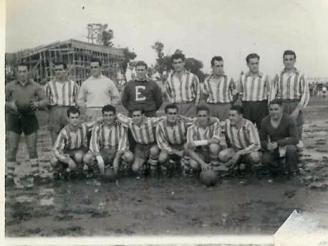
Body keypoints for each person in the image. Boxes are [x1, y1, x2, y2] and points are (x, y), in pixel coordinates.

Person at [5, 63, 49, 185]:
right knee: (12, 148)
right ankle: (9, 177)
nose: (22, 74)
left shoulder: (35, 86)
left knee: (32, 148)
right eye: (20, 71)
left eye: (24, 71)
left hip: (30, 118)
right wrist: (9, 105)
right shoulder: (9, 86)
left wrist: (37, 104)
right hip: (14, 118)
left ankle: (36, 175)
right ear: (16, 72)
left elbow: (46, 100)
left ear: (28, 72)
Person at [273, 50, 310, 148]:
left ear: (295, 60)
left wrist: (298, 109)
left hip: (295, 104)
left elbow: (305, 93)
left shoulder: (300, 75)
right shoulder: (278, 75)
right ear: (283, 61)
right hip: (282, 104)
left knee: (296, 131)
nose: (288, 62)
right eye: (286, 59)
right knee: (281, 130)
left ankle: (297, 155)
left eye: (291, 59)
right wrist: (274, 108)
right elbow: (273, 93)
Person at [84, 105, 134, 176]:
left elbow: (123, 144)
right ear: (103, 116)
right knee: (87, 158)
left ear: (114, 116)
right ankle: (97, 171)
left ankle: (121, 171)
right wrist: (100, 160)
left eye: (110, 115)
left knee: (129, 156)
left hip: (116, 152)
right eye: (106, 115)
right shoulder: (98, 126)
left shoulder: (120, 126)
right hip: (103, 152)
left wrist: (116, 158)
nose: (108, 118)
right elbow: (93, 144)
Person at [116, 110, 164, 176]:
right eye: (134, 116)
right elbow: (118, 116)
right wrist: (101, 119)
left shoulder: (150, 121)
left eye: (138, 115)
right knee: (135, 168)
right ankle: (146, 164)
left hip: (151, 145)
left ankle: (153, 168)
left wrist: (180, 118)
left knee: (154, 150)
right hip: (140, 147)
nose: (136, 118)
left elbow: (163, 118)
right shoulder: (130, 122)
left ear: (143, 116)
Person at [260, 99, 299, 177]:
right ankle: (277, 169)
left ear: (281, 108)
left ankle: (293, 171)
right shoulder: (265, 121)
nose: (273, 112)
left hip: (286, 144)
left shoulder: (289, 120)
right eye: (271, 110)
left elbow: (295, 139)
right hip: (273, 146)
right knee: (265, 159)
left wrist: (278, 143)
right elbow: (262, 140)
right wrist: (267, 145)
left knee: (291, 149)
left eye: (276, 109)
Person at [44, 61, 80, 144]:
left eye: (60, 69)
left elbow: (78, 102)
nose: (58, 72)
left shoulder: (73, 85)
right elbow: (45, 102)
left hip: (69, 111)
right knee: (56, 140)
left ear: (66, 71)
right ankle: (57, 156)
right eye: (56, 70)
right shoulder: (49, 85)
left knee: (70, 137)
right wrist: (51, 112)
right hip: (55, 111)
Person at [220, 105, 261, 173]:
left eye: (233, 115)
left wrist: (240, 153)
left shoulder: (248, 125)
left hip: (248, 152)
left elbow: (256, 145)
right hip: (235, 150)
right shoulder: (227, 123)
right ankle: (236, 165)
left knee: (255, 157)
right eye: (229, 115)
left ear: (240, 116)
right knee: (222, 155)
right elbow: (223, 138)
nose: (230, 118)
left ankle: (248, 167)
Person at [185, 105, 226, 173]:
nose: (202, 118)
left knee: (213, 146)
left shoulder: (215, 124)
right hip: (201, 153)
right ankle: (203, 168)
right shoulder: (191, 128)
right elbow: (189, 148)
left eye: (204, 115)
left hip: (213, 153)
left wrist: (196, 143)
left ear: (208, 116)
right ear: (197, 116)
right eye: (200, 116)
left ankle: (215, 164)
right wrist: (202, 163)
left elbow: (216, 140)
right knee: (193, 164)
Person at [52, 107, 92, 177]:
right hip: (66, 153)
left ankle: (78, 169)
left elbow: (96, 123)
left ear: (79, 118)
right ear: (68, 119)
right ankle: (60, 171)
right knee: (54, 161)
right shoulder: (64, 132)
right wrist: (68, 160)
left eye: (77, 117)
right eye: (72, 118)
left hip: (78, 151)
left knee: (78, 156)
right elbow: (56, 150)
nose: (75, 120)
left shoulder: (84, 127)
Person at [156, 103, 193, 174]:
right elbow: (162, 144)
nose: (172, 116)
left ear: (177, 114)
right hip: (170, 146)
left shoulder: (184, 121)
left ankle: (186, 166)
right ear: (166, 114)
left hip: (183, 145)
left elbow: (195, 122)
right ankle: (170, 166)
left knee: (187, 146)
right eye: (170, 113)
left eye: (174, 113)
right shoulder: (160, 125)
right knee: (162, 158)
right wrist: (176, 152)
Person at [239, 53, 272, 130]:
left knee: (263, 129)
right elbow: (240, 93)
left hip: (261, 106)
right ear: (247, 64)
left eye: (256, 63)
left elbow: (270, 93)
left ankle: (263, 142)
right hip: (247, 106)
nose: (255, 66)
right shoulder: (243, 78)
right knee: (247, 129)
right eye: (252, 63)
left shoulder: (265, 77)